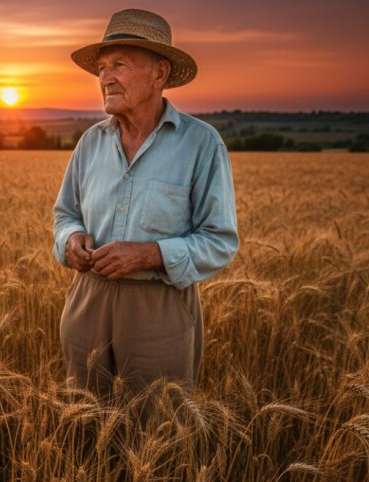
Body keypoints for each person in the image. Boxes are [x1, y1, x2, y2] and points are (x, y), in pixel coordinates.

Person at [52, 9, 239, 399]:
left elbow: (219, 241)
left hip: (160, 307)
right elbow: (65, 215)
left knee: (155, 434)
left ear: (160, 74)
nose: (105, 79)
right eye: (102, 68)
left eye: (118, 64)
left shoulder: (200, 144)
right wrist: (70, 240)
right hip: (88, 298)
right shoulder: (90, 143)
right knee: (83, 432)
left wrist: (150, 254)